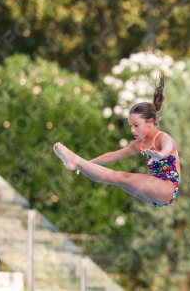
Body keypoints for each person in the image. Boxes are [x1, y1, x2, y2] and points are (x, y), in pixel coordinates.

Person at [53, 72, 181, 207]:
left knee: (121, 176)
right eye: (131, 126)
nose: (132, 130)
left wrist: (160, 154)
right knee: (115, 179)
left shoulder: (161, 137)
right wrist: (90, 163)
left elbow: (168, 146)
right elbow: (113, 155)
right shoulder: (140, 144)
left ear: (150, 122)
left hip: (167, 188)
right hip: (152, 196)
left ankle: (77, 161)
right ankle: (79, 164)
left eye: (136, 125)